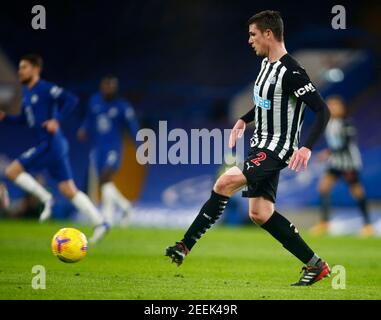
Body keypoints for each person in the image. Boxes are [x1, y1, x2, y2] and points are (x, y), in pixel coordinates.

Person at [165, 10, 331, 286]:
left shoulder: (292, 72)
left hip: (277, 147)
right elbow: (269, 103)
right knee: (260, 213)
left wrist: (307, 148)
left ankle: (185, 245)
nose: (249, 40)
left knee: (224, 182)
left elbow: (322, 111)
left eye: (253, 34)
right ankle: (317, 266)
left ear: (269, 34)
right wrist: (244, 119)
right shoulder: (266, 66)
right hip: (260, 145)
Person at [0, 54, 108, 243]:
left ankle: (45, 197)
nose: (20, 71)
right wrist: (6, 117)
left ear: (35, 69)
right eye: (19, 67)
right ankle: (100, 223)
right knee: (68, 189)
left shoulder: (45, 88)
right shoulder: (27, 95)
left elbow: (71, 100)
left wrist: (56, 119)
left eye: (24, 67)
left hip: (51, 143)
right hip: (53, 146)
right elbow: (25, 120)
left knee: (12, 171)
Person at [77, 75, 139, 225]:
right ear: (102, 87)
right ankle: (122, 209)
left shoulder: (122, 106)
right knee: (104, 183)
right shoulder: (94, 101)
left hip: (114, 147)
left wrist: (140, 144)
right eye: (106, 86)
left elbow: (132, 126)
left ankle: (111, 214)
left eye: (112, 86)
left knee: (105, 178)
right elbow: (89, 119)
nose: (108, 89)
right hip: (99, 149)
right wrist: (83, 129)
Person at [311, 95, 374, 236]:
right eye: (330, 105)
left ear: (342, 108)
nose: (332, 108)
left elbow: (346, 144)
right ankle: (324, 223)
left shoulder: (346, 123)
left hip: (349, 163)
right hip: (335, 162)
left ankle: (367, 224)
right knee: (323, 188)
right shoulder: (328, 123)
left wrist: (327, 153)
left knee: (357, 192)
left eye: (335, 105)